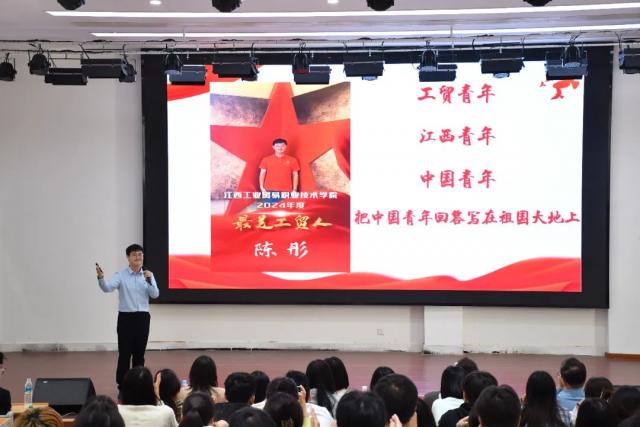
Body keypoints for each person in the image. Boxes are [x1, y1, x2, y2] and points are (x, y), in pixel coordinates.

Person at [96, 243, 159, 389]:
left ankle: (139, 383)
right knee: (125, 354)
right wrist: (101, 278)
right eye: (134, 254)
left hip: (143, 318)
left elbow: (155, 294)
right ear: (128, 258)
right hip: (126, 319)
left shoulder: (148, 275)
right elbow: (107, 288)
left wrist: (150, 281)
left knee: (139, 353)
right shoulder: (121, 275)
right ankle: (122, 385)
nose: (138, 257)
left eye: (140, 254)